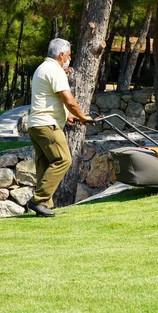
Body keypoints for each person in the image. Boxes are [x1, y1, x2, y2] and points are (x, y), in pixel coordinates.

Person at [27, 38, 92, 217]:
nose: (69, 59)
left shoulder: (42, 68)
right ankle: (38, 200)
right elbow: (68, 99)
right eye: (69, 55)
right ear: (61, 55)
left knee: (45, 164)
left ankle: (44, 206)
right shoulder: (55, 70)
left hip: (35, 124)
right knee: (63, 160)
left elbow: (49, 99)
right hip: (47, 124)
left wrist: (69, 117)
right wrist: (82, 116)